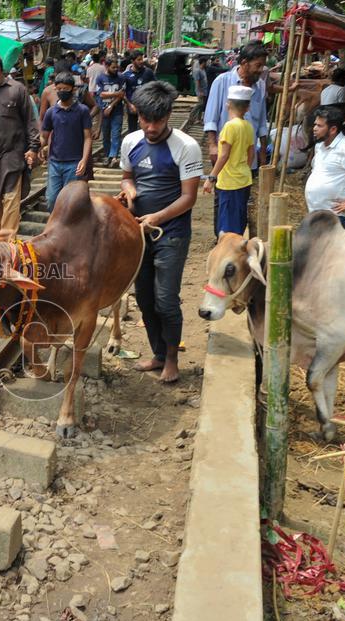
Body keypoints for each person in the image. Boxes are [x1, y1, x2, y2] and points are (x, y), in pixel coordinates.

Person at [118, 81, 202, 384]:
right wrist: (130, 192)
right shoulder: (131, 142)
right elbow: (126, 177)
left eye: (157, 120)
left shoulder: (186, 147)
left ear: (168, 115)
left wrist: (157, 216)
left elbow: (189, 197)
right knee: (144, 296)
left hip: (172, 233)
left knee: (166, 299)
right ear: (137, 114)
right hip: (138, 234)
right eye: (144, 119)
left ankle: (172, 359)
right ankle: (156, 353)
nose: (151, 127)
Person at [0, 51, 40, 234]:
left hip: (12, 156)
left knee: (11, 200)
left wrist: (34, 148)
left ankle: (8, 244)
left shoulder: (17, 90)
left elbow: (30, 121)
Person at [204, 41, 268, 170]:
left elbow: (261, 122)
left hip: (248, 158)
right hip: (225, 156)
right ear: (244, 63)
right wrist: (212, 146)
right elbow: (211, 118)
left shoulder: (260, 85)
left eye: (263, 66)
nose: (261, 70)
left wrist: (262, 152)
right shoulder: (222, 82)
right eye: (258, 65)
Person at [202, 86, 255, 236]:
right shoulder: (248, 126)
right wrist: (243, 169)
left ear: (228, 104)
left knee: (226, 228)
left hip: (229, 183)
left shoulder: (230, 126)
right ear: (247, 107)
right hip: (244, 179)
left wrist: (211, 177)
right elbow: (251, 154)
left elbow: (223, 155)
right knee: (238, 222)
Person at [41, 73, 92, 212]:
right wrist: (38, 148)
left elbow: (88, 137)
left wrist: (84, 159)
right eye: (59, 89)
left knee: (70, 200)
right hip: (55, 162)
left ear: (73, 89)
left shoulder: (82, 110)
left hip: (74, 162)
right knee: (52, 199)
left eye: (65, 88)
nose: (62, 92)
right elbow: (44, 135)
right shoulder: (51, 112)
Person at [95, 57, 126, 168]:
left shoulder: (121, 77)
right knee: (106, 134)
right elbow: (101, 94)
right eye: (113, 67)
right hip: (104, 110)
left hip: (117, 109)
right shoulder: (100, 78)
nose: (116, 69)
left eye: (116, 67)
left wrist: (111, 105)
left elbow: (122, 94)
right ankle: (108, 154)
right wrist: (116, 94)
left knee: (116, 133)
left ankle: (113, 156)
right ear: (107, 67)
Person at [122, 50, 156, 135]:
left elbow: (155, 87)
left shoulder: (148, 72)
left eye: (142, 59)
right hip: (132, 108)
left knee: (147, 130)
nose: (141, 62)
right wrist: (130, 105)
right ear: (132, 61)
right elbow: (123, 92)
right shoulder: (125, 75)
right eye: (139, 59)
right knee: (133, 132)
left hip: (146, 107)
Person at [190, 56, 209, 126]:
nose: (207, 63)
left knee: (202, 105)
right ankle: (192, 114)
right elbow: (197, 82)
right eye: (206, 62)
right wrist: (200, 91)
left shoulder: (203, 70)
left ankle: (198, 119)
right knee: (200, 104)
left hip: (204, 90)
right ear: (203, 62)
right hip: (200, 91)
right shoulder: (197, 71)